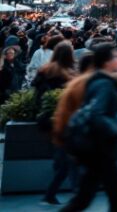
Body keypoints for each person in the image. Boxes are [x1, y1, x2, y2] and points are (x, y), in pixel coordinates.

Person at [61, 43, 117, 212]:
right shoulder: (104, 83)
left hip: (96, 147)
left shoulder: (98, 81)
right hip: (100, 147)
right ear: (106, 62)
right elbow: (97, 114)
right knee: (115, 193)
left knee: (85, 197)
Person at [33, 42, 78, 206]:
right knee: (68, 159)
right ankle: (56, 193)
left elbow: (36, 92)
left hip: (48, 117)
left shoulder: (45, 69)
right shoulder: (68, 74)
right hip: (64, 119)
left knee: (65, 156)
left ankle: (70, 191)